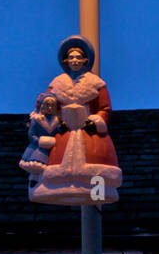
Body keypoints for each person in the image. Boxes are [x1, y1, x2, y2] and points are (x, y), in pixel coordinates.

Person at [27, 35, 122, 205]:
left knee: (97, 167)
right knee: (56, 164)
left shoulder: (96, 84)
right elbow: (47, 103)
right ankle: (56, 190)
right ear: (66, 61)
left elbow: (104, 108)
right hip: (63, 130)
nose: (75, 61)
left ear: (85, 60)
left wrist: (97, 120)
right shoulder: (57, 84)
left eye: (78, 57)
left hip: (89, 132)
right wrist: (51, 118)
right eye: (71, 57)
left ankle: (97, 197)